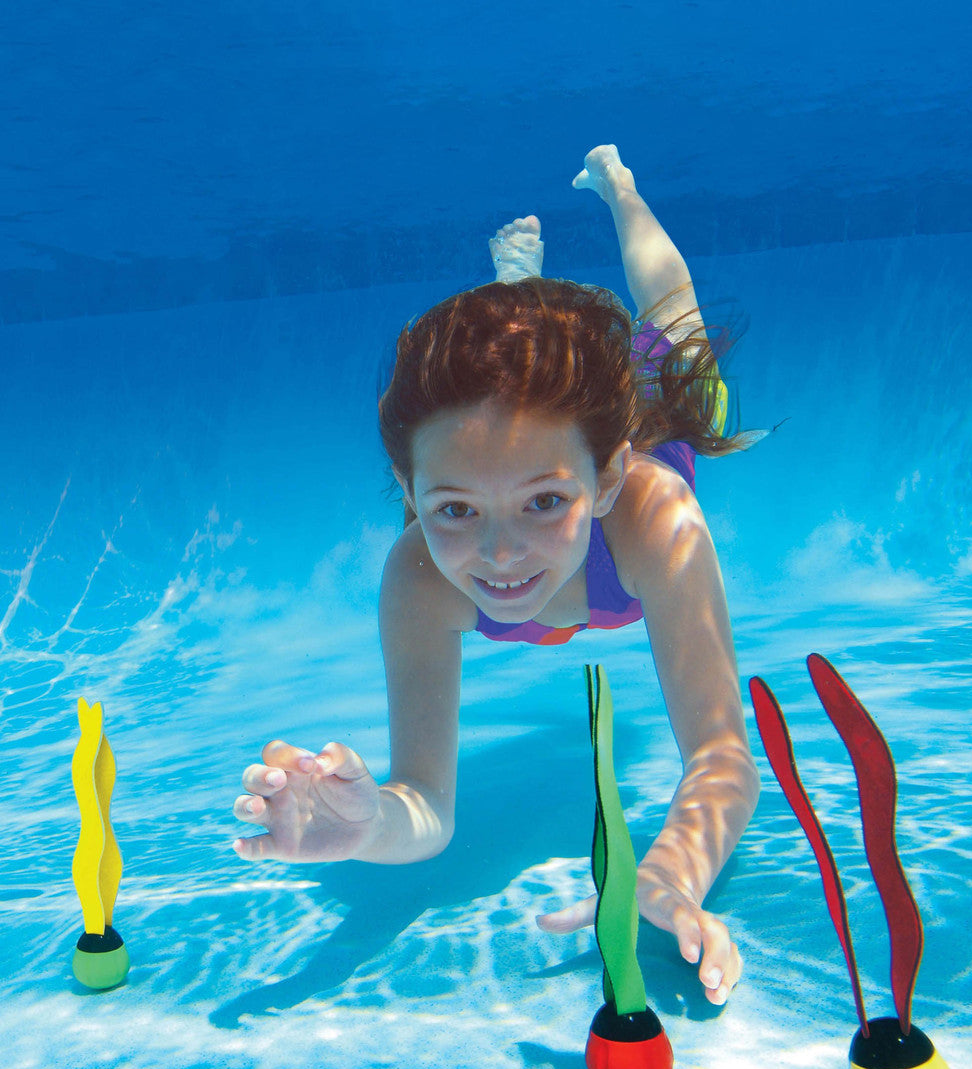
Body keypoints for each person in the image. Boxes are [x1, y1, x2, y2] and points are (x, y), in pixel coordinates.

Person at [232, 145, 760, 1006]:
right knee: (511, 369)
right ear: (409, 491)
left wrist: (671, 871)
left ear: (605, 479)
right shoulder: (419, 578)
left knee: (676, 331)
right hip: (556, 450)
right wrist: (369, 826)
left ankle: (619, 189)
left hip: (640, 427)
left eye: (545, 502)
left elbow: (722, 753)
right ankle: (520, 289)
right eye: (454, 510)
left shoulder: (655, 519)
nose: (502, 554)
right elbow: (424, 807)